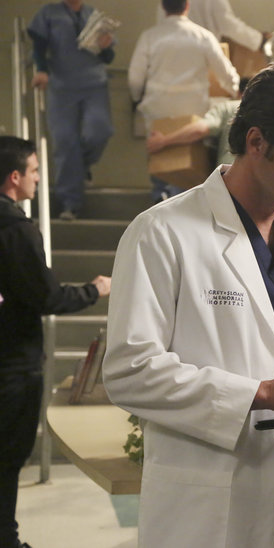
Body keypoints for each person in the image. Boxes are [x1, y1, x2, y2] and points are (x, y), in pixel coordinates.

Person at [104, 62, 274, 547]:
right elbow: (131, 371)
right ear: (257, 142)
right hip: (211, 506)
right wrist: (259, 392)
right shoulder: (162, 233)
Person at [0, 136, 111, 548]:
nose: (37, 178)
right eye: (33, 171)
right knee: (8, 459)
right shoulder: (16, 230)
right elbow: (46, 296)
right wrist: (94, 289)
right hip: (13, 365)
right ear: (14, 177)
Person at [129, 0, 239, 202]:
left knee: (160, 160)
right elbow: (226, 73)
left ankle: (160, 198)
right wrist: (234, 90)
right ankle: (183, 204)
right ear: (187, 6)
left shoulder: (149, 37)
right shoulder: (203, 36)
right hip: (192, 113)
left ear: (163, 7)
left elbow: (135, 78)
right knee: (187, 168)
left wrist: (137, 99)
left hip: (157, 111)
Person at [28, 0, 117, 221]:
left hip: (94, 83)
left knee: (99, 131)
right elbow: (39, 45)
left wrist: (106, 46)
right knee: (65, 141)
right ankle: (70, 204)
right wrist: (41, 70)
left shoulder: (93, 14)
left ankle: (83, 166)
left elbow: (108, 57)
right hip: (62, 86)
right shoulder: (49, 13)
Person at [145, 78, 249, 168]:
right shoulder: (258, 112)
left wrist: (163, 141)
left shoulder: (230, 107)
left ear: (239, 93)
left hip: (232, 176)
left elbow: (200, 130)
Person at [156, 0, 272, 52]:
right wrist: (258, 40)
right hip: (205, 57)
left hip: (171, 56)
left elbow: (163, 24)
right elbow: (228, 24)